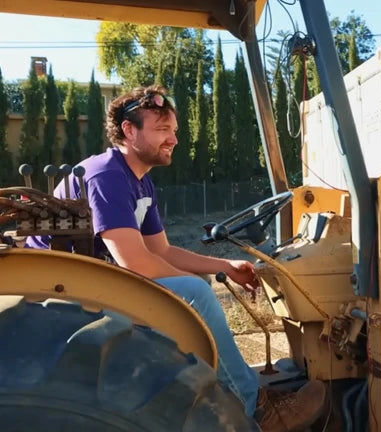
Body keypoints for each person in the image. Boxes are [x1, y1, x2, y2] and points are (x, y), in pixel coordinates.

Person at [26, 85, 326, 432]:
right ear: (129, 130)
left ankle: (231, 392)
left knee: (192, 287)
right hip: (60, 290)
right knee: (193, 293)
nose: (173, 139)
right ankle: (254, 409)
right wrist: (193, 286)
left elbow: (162, 252)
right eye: (162, 130)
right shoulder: (106, 175)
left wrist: (225, 266)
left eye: (174, 131)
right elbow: (136, 264)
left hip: (89, 279)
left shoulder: (139, 181)